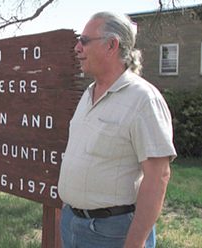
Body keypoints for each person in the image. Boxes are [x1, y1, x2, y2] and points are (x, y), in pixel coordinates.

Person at [58, 12, 177, 248]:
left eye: (84, 40)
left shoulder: (143, 100)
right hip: (73, 223)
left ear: (112, 45)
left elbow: (158, 177)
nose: (77, 47)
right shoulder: (87, 94)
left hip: (112, 233)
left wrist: (134, 243)